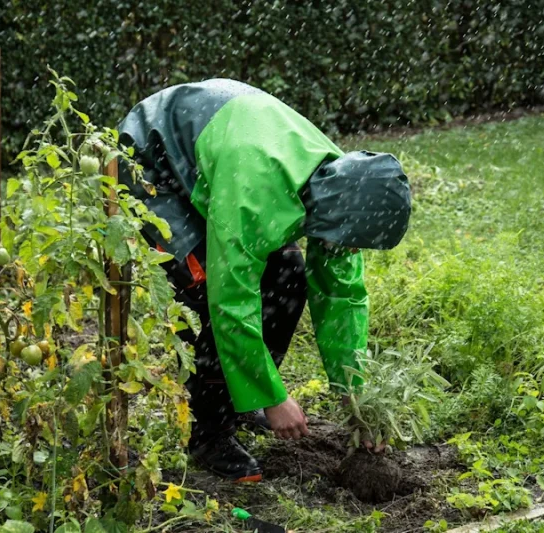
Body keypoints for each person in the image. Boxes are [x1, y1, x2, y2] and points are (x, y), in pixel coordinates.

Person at [117, 79, 411, 482]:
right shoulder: (255, 191)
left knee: (287, 276)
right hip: (153, 163)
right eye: (346, 241)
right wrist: (274, 397)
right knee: (204, 286)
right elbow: (230, 299)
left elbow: (343, 297)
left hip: (225, 164)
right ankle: (208, 434)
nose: (345, 249)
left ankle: (239, 396)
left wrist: (355, 396)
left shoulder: (345, 185)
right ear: (336, 216)